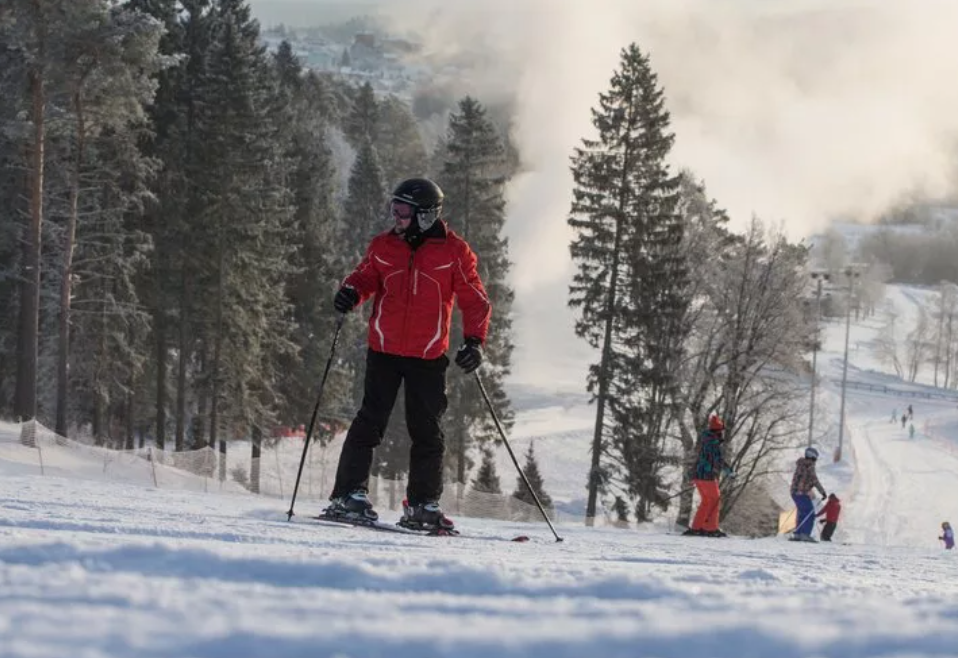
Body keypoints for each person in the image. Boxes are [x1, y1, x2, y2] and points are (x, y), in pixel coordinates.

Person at [322, 178, 491, 532]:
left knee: (427, 432)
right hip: (383, 350)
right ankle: (347, 495)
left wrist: (475, 341)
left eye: (403, 211)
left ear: (426, 215)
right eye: (393, 210)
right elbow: (365, 276)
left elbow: (474, 298)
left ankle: (421, 505)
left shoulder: (453, 252)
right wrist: (350, 292)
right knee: (369, 422)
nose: (395, 217)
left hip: (428, 356)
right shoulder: (384, 246)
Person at [684, 414, 735, 538]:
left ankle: (697, 527)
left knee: (706, 501)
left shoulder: (705, 440)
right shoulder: (713, 443)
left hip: (698, 475)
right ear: (717, 431)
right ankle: (711, 529)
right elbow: (718, 460)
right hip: (707, 475)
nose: (722, 434)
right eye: (721, 431)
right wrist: (729, 471)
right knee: (715, 499)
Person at [790, 446, 827, 542]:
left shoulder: (801, 464)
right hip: (801, 493)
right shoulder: (809, 465)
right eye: (815, 458)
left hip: (794, 492)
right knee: (810, 513)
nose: (815, 461)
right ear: (811, 457)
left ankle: (798, 534)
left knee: (802, 513)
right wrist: (822, 492)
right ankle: (805, 534)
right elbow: (815, 481)